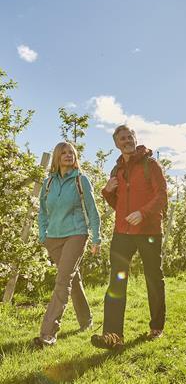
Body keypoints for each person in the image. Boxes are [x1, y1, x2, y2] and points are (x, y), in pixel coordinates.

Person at [91, 125, 167, 350]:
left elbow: (161, 194)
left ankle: (156, 327)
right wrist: (106, 191)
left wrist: (142, 213)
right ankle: (113, 336)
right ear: (116, 144)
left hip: (149, 231)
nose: (126, 141)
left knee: (153, 278)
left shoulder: (150, 165)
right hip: (122, 233)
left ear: (135, 138)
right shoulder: (116, 171)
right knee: (117, 281)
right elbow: (118, 204)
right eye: (121, 139)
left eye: (129, 137)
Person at [34, 142, 101, 348]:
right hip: (53, 238)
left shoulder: (81, 180)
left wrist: (96, 237)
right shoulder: (48, 183)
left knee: (63, 281)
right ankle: (86, 320)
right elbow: (43, 211)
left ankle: (48, 333)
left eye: (71, 152)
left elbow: (92, 210)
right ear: (57, 157)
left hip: (76, 234)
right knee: (73, 278)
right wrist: (43, 234)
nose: (68, 155)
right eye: (63, 152)